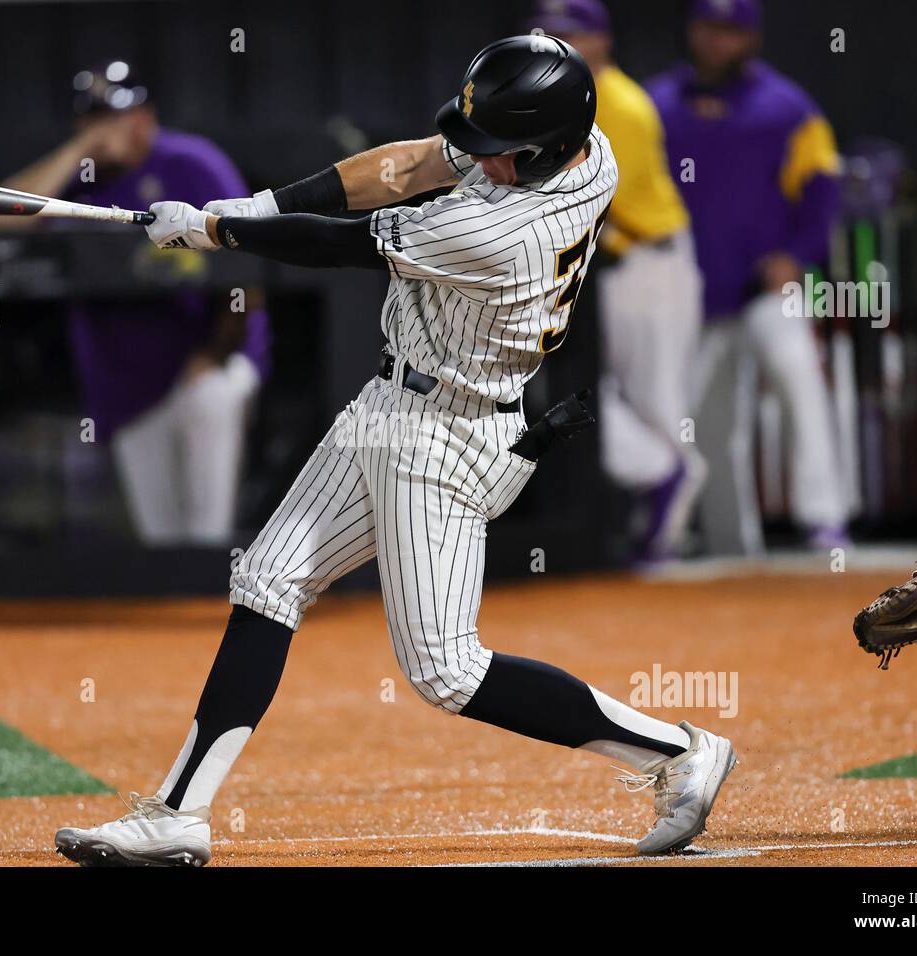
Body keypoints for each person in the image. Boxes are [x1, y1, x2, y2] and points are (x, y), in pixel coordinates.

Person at [54, 35, 736, 867]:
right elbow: (408, 166)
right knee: (268, 579)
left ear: (543, 147)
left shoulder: (496, 231)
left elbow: (344, 242)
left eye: (498, 152)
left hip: (449, 437)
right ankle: (178, 814)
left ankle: (677, 753)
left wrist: (214, 230)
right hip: (397, 402)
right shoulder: (587, 154)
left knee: (447, 672)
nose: (480, 160)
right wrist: (253, 207)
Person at [0, 62, 270, 545]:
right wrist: (78, 151)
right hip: (126, 381)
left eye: (115, 115)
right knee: (160, 540)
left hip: (206, 362)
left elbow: (247, 266)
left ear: (145, 116)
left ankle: (216, 592)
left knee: (207, 529)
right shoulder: (79, 182)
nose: (106, 128)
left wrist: (215, 352)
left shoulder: (191, 162)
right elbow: (1, 223)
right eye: (93, 118)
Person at [648, 0, 849, 554]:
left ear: (751, 39)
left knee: (799, 379)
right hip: (693, 292)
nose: (718, 42)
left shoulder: (787, 108)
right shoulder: (659, 104)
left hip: (766, 286)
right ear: (692, 31)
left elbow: (825, 191)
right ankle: (733, 544)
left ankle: (824, 520)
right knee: (706, 423)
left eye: (731, 32)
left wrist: (798, 255)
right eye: (709, 29)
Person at [532, 0, 705, 561]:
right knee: (589, 396)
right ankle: (664, 487)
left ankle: (670, 522)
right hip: (612, 268)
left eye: (573, 35)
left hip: (650, 264)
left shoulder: (621, 104)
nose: (561, 44)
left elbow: (593, 197)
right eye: (552, 34)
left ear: (602, 41)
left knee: (656, 401)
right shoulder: (569, 100)